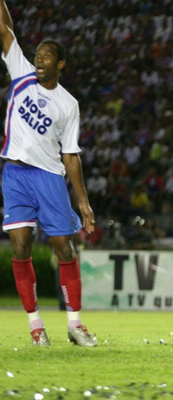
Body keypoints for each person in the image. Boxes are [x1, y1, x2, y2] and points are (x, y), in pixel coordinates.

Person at [0, 1, 96, 346]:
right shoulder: (21, 73)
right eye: (37, 54)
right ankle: (35, 326)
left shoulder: (68, 104)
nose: (39, 59)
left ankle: (74, 324)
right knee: (20, 246)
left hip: (50, 178)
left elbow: (71, 156)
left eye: (46, 56)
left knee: (64, 248)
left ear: (60, 64)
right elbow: (5, 29)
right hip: (15, 175)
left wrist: (83, 203)